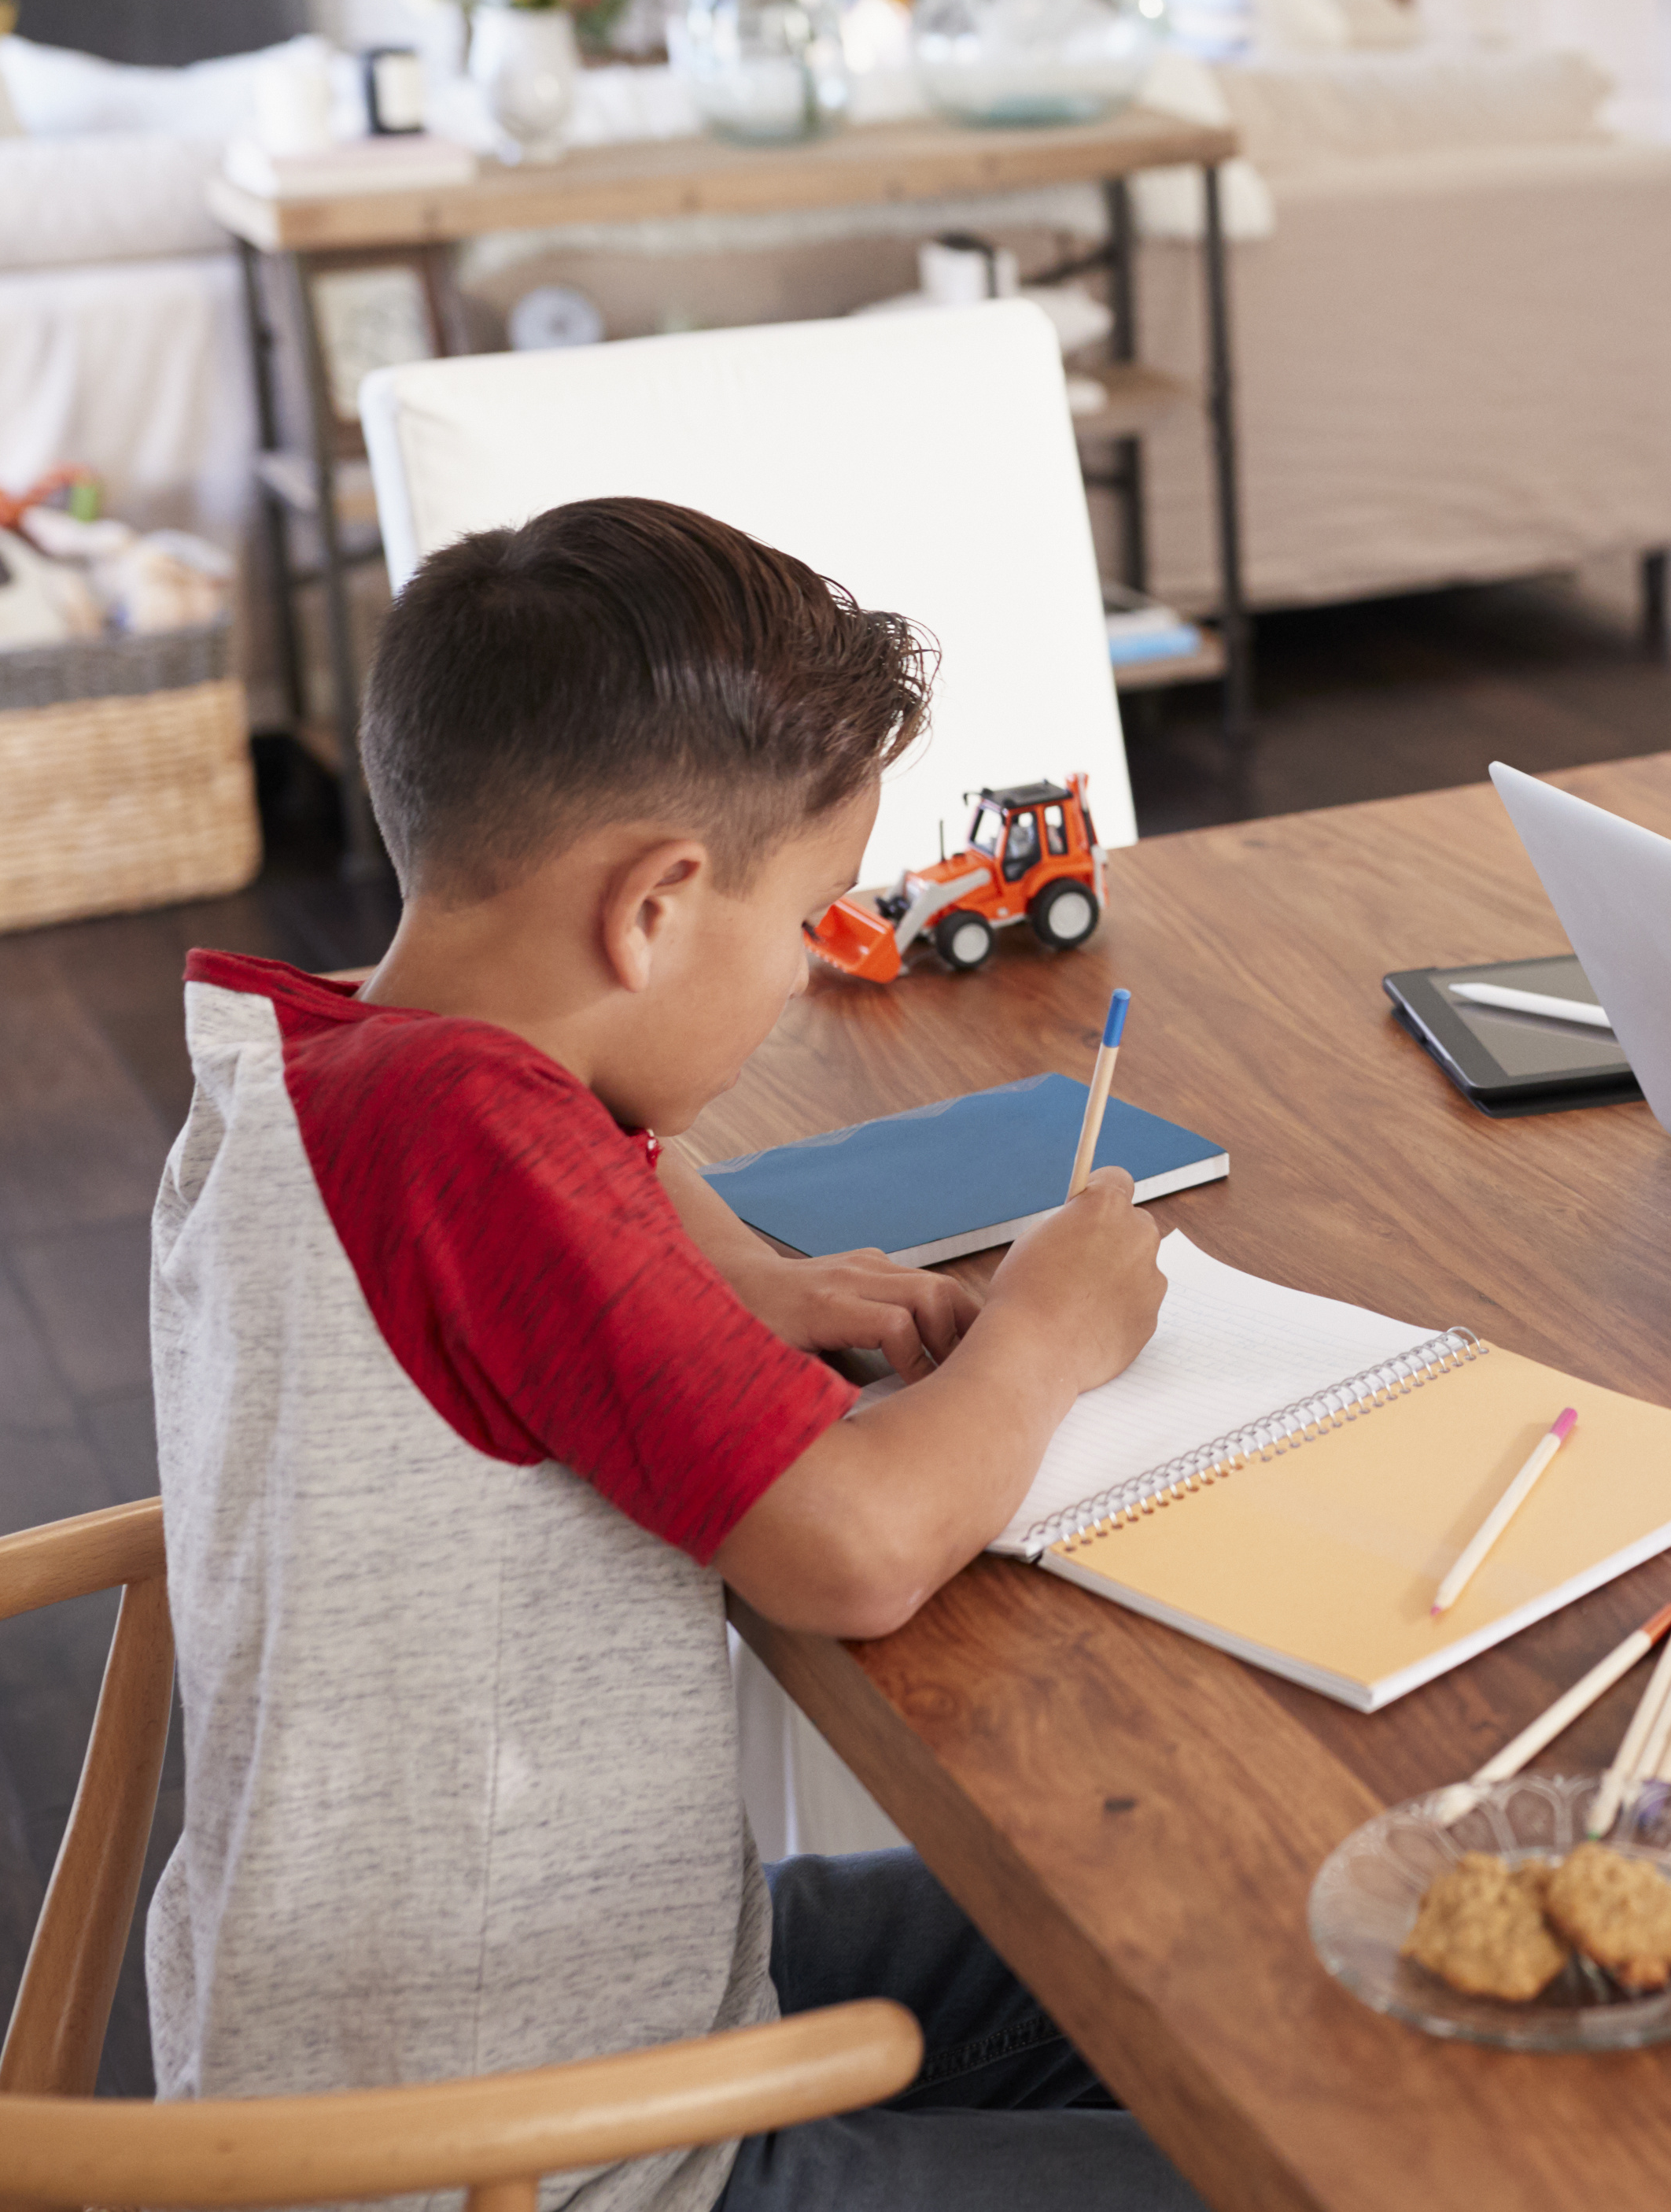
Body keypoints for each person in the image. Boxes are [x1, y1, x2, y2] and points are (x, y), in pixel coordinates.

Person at [146, 495, 1198, 2212]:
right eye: (804, 921)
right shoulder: (479, 1143)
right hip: (531, 2158)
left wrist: (699, 1257)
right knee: (1256, 2126)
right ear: (654, 908)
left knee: (1183, 1946)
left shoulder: (328, 1068)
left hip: (467, 2019)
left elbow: (572, 1190)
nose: (799, 978)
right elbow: (849, 1550)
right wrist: (1046, 1331)